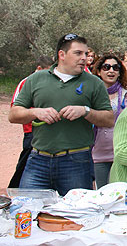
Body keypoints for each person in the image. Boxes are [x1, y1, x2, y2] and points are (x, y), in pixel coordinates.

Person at [9, 34, 114, 195]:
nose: (84, 58)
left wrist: (85, 111)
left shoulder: (94, 83)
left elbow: (108, 119)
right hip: (38, 160)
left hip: (77, 162)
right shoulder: (36, 79)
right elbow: (14, 115)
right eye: (78, 53)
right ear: (62, 55)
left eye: (86, 54)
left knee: (77, 215)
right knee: (26, 211)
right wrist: (36, 112)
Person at [8, 56, 54, 188]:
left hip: (49, 132)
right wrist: (37, 112)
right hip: (31, 131)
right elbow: (15, 108)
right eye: (46, 71)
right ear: (39, 69)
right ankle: (15, 189)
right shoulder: (26, 82)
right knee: (26, 162)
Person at [92, 54, 127, 188]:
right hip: (98, 153)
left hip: (122, 153)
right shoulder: (91, 94)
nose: (111, 71)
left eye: (115, 68)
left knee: (121, 192)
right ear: (98, 71)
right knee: (102, 192)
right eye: (106, 67)